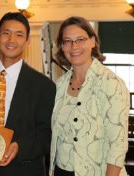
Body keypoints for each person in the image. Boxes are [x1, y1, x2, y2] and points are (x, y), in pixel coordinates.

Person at [0, 12, 56, 176]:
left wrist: (19, 147)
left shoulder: (43, 86)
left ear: (27, 41)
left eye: (19, 35)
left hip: (22, 169)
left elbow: (47, 134)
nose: (11, 40)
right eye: (6, 33)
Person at [49, 16, 129, 176]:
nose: (74, 46)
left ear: (93, 41)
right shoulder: (59, 85)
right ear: (62, 47)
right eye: (67, 41)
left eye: (80, 39)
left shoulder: (112, 83)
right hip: (60, 171)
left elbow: (118, 145)